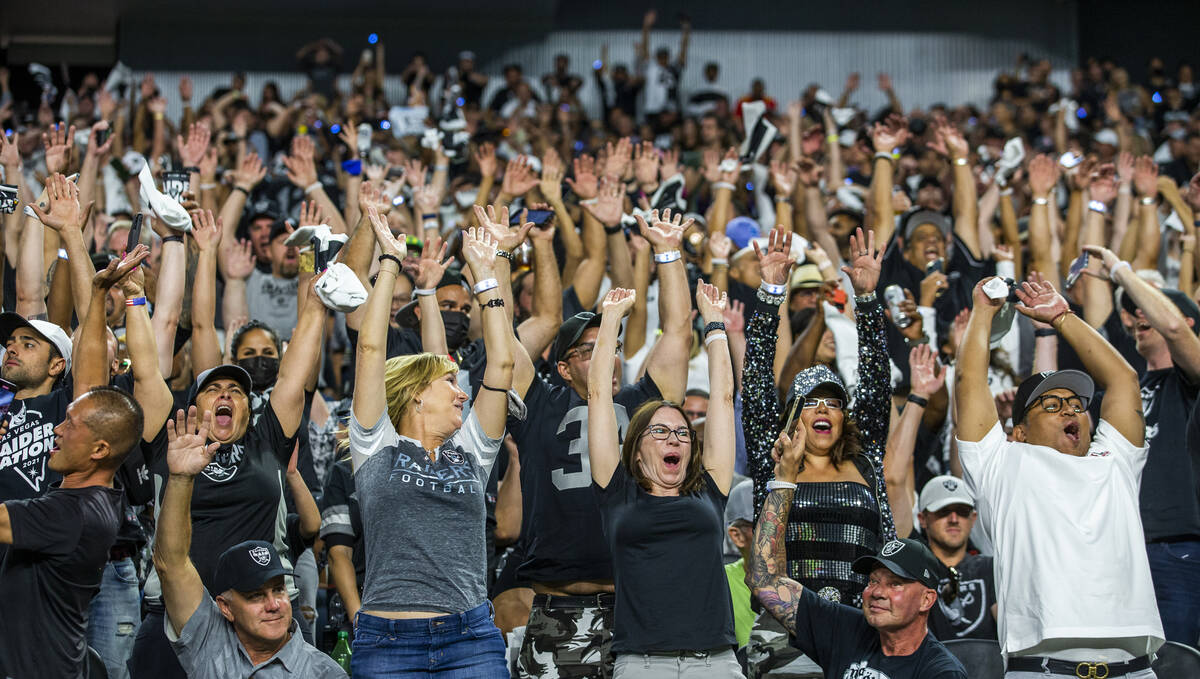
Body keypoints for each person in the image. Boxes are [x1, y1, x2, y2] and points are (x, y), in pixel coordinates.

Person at [511, 209, 693, 678]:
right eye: (588, 349)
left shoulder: (643, 405)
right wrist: (495, 261)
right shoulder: (537, 403)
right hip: (557, 607)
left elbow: (676, 332)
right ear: (563, 366)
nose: (605, 358)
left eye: (610, 347)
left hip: (635, 605)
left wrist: (668, 253)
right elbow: (503, 349)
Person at [956, 273, 1163, 678]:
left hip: (1136, 669)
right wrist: (983, 313)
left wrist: (1062, 316)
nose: (1070, 410)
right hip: (1044, 669)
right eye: (1050, 406)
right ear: (1019, 432)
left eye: (1075, 404)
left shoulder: (1114, 457)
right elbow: (970, 381)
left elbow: (1124, 380)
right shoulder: (1002, 463)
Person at [130, 275, 328, 678]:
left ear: (247, 405)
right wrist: (136, 302)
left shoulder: (267, 438)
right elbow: (147, 374)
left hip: (261, 617)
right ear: (195, 403)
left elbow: (294, 378)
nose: (225, 395)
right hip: (176, 614)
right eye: (214, 389)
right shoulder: (172, 439)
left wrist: (316, 304)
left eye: (236, 391)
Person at [347, 208, 515, 677]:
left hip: (471, 639)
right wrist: (389, 264)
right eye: (450, 383)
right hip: (387, 642)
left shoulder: (473, 453)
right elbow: (369, 348)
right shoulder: (376, 446)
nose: (464, 391)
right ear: (418, 392)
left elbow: (501, 366)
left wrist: (486, 280)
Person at [742, 226, 895, 675]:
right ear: (793, 416)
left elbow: (877, 381)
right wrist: (771, 292)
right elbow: (754, 380)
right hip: (787, 629)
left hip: (864, 625)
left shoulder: (864, 458)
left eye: (834, 402)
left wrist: (866, 301)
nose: (825, 409)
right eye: (812, 402)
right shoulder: (773, 458)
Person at [588, 282, 740, 676]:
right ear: (636, 448)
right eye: (659, 431)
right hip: (641, 663)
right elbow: (598, 395)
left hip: (716, 661)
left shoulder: (712, 489)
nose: (674, 437)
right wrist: (609, 322)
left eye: (682, 432)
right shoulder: (616, 491)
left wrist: (715, 326)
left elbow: (723, 398)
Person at [747, 426, 966, 678]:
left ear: (926, 599)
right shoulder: (846, 629)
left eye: (895, 584)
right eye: (873, 581)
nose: (877, 593)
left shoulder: (940, 672)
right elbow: (763, 580)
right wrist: (784, 481)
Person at [152, 407, 345, 678]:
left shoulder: (323, 672)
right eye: (255, 595)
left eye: (278, 590)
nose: (274, 604)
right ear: (226, 608)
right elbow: (170, 564)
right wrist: (181, 479)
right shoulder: (210, 638)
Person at [1084, 244, 1200, 646]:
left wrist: (1122, 270)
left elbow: (1172, 328)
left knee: (1179, 662)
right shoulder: (1124, 391)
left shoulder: (1191, 383)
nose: (1136, 317)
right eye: (1130, 312)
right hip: (1121, 550)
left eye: (1144, 308)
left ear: (1185, 321)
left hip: (1179, 548)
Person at [0, 385, 145, 679]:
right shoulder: (100, 498)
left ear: (100, 449)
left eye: (70, 422)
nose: (57, 429)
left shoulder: (74, 514)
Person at [916, 476, 998, 642]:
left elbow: (1010, 632)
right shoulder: (914, 572)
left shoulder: (990, 568)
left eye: (962, 512)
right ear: (923, 519)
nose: (954, 519)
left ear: (973, 518)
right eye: (943, 511)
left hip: (988, 665)